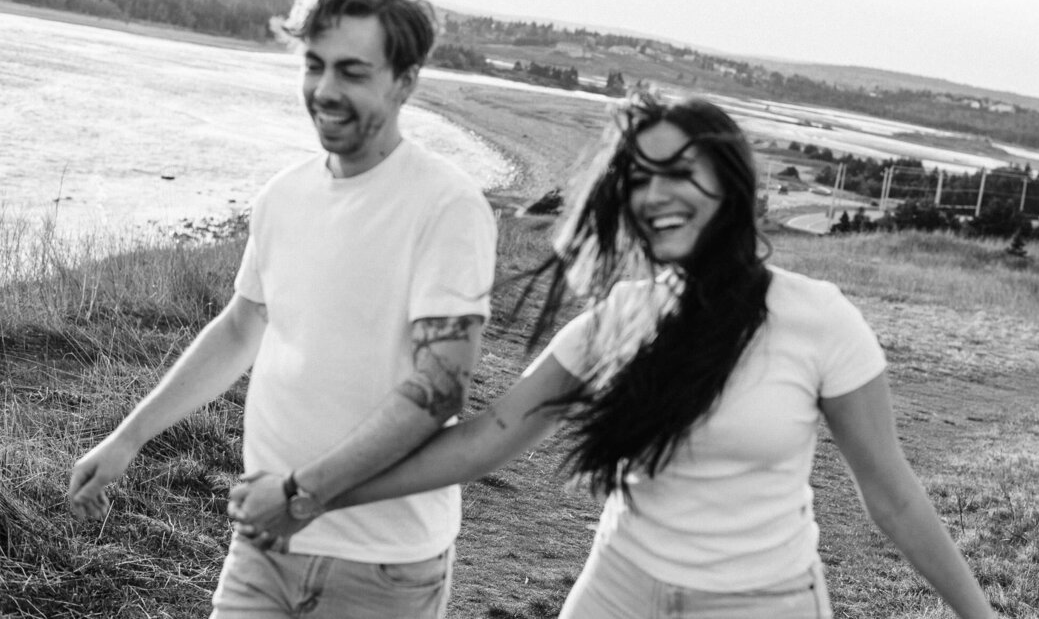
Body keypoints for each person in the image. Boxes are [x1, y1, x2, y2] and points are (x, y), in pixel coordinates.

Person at [230, 93, 995, 618]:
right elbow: (483, 440)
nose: (656, 194)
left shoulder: (817, 319)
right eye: (638, 178)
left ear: (730, 181)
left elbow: (890, 493)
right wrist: (312, 495)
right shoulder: (617, 322)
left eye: (679, 171)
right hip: (621, 584)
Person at [67, 0, 497, 619]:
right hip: (263, 544)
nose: (325, 90)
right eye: (315, 65)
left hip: (382, 563)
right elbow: (241, 327)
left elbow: (439, 391)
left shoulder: (447, 206)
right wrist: (129, 436)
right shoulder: (284, 196)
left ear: (405, 80)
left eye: (352, 71)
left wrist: (300, 495)